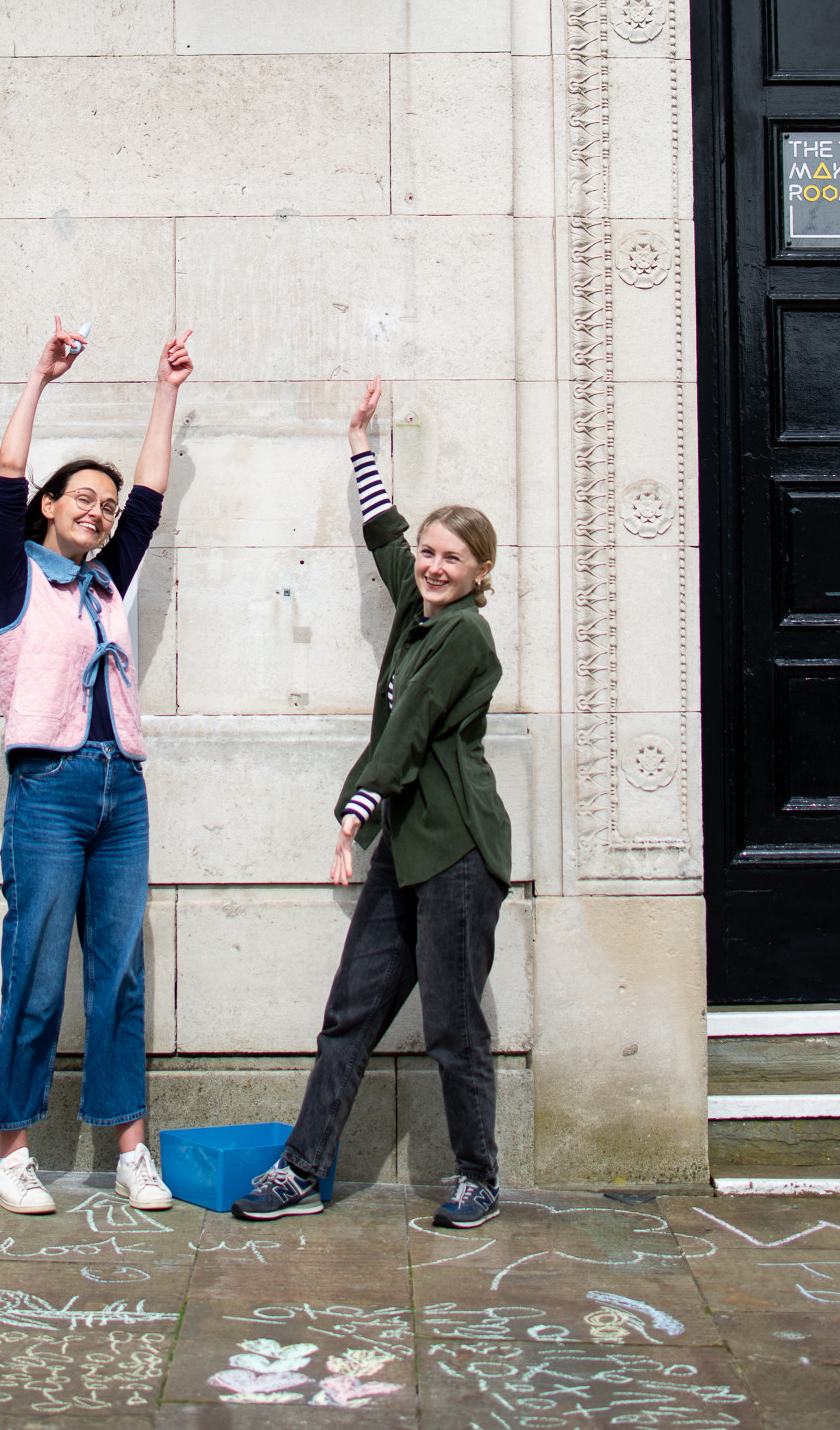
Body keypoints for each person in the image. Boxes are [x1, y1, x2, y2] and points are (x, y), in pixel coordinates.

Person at [232, 375, 512, 1230]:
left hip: (457, 849)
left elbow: (409, 734)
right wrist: (359, 440)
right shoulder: (419, 610)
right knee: (349, 1013)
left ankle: (476, 1179)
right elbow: (383, 533)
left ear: (479, 575)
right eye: (429, 554)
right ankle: (300, 1171)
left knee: (453, 1026)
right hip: (408, 845)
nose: (430, 566)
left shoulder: (461, 635)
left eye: (449, 559)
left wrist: (351, 817)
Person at [0, 315, 193, 1215]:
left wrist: (165, 393)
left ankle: (129, 1151)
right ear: (50, 508)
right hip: (49, 794)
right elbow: (4, 483)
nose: (99, 510)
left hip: (122, 790)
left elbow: (148, 495)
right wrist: (39, 376)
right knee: (34, 972)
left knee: (120, 974)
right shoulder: (12, 576)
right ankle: (13, 1151)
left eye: (104, 505)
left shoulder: (108, 581)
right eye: (82, 498)